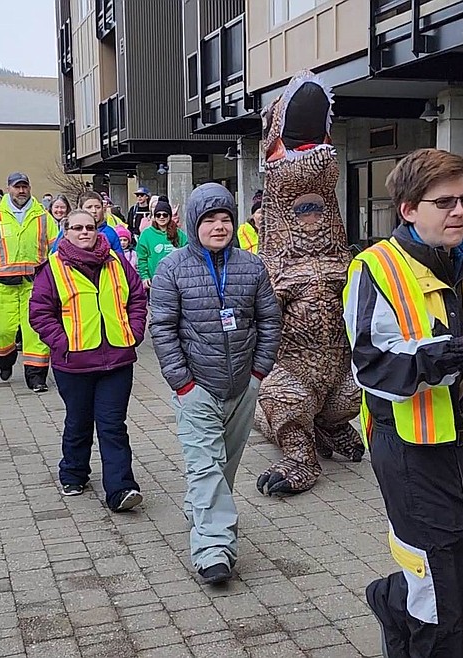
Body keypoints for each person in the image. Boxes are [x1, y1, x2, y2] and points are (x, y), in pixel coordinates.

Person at [343, 148, 463, 655]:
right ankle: (418, 625)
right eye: (444, 203)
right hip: (411, 449)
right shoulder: (375, 269)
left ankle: (395, 601)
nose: (459, 211)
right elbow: (376, 367)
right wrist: (462, 350)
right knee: (440, 592)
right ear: (409, 209)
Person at [149, 183, 282, 585]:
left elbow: (269, 321)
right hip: (196, 386)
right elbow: (162, 328)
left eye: (225, 218)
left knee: (223, 464)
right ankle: (213, 549)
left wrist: (258, 372)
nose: (219, 226)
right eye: (210, 220)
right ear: (193, 224)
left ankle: (201, 507)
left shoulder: (251, 266)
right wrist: (182, 382)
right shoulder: (173, 268)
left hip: (243, 383)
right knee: (205, 464)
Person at [29, 209, 148, 512]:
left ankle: (121, 489)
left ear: (98, 230)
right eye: (77, 227)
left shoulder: (117, 262)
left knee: (112, 425)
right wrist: (63, 342)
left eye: (90, 227)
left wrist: (134, 331)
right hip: (74, 364)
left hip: (117, 361)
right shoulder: (52, 268)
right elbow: (40, 314)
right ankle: (74, 472)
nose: (84, 232)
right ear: (65, 232)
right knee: (79, 421)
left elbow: (136, 297)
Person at [0, 172, 58, 393]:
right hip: (1, 287)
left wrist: (52, 276)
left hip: (35, 285)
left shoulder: (43, 216)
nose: (21, 191)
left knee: (36, 332)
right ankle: (5, 357)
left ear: (30, 188)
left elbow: (56, 248)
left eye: (24, 187)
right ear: (9, 189)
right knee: (2, 331)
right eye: (16, 187)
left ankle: (36, 376)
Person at [136, 197, 186, 288]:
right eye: (158, 215)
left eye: (165, 215)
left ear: (170, 216)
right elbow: (142, 258)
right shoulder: (146, 234)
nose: (161, 217)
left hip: (177, 281)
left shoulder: (179, 234)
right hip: (154, 281)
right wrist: (145, 277)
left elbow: (187, 253)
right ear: (154, 217)